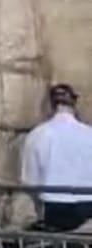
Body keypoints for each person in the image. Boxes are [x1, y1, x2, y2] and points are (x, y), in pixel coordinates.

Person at [21, 84, 92, 231]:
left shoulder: (36, 135)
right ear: (74, 103)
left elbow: (29, 181)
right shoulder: (89, 134)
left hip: (55, 208)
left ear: (51, 105)